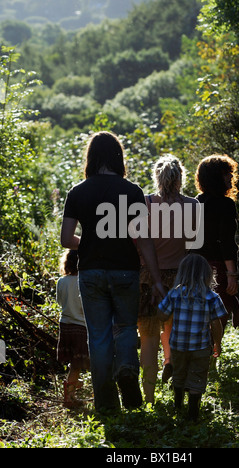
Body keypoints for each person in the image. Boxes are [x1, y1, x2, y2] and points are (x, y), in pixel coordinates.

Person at [60, 131, 164, 413]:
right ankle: (128, 369)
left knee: (99, 335)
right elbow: (144, 240)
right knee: (127, 327)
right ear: (118, 156)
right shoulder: (132, 192)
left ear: (91, 156)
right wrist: (156, 280)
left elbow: (67, 240)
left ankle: (106, 404)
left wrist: (91, 242)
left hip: (91, 272)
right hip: (125, 272)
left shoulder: (78, 192)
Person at [138, 155, 200, 404]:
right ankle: (177, 383)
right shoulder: (193, 206)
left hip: (147, 279)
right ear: (180, 178)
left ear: (157, 177)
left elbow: (138, 246)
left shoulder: (144, 204)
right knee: (177, 334)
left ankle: (149, 397)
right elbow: (195, 246)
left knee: (148, 338)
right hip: (181, 279)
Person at [158, 254, 227, 422]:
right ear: (207, 274)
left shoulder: (175, 294)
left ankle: (178, 405)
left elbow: (161, 314)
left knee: (179, 374)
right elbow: (216, 323)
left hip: (178, 346)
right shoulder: (211, 296)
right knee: (197, 376)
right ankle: (193, 412)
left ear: (182, 273)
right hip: (201, 347)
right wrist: (217, 342)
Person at [193, 154, 239, 332]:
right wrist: (232, 274)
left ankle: (201, 356)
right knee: (217, 316)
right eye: (226, 173)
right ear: (216, 177)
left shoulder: (195, 202)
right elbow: (226, 241)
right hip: (216, 269)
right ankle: (210, 356)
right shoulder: (225, 204)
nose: (231, 176)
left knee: (199, 318)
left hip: (194, 267)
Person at [56, 249, 90, 409]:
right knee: (80, 363)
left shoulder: (61, 281)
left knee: (74, 362)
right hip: (81, 326)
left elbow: (59, 302)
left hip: (65, 325)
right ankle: (70, 394)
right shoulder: (84, 281)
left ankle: (72, 387)